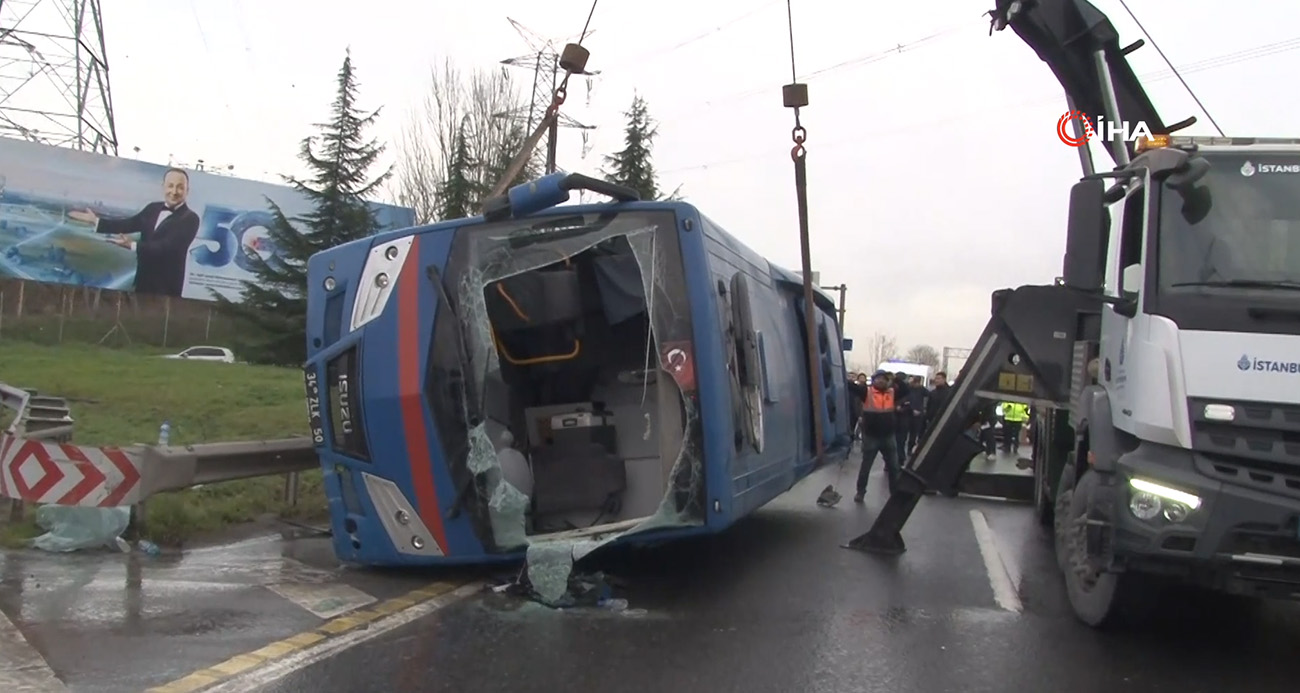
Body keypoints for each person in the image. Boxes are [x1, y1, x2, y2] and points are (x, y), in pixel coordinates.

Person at [68, 167, 200, 297]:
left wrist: (132, 245)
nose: (174, 191)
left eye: (180, 187)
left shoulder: (190, 219)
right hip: (143, 282)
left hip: (166, 289)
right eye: (170, 186)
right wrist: (96, 221)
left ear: (187, 191)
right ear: (163, 186)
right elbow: (129, 223)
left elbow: (166, 247)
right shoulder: (153, 208)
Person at [853, 370, 900, 503]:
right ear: (873, 381)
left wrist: (895, 378)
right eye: (878, 379)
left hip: (888, 435)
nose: (880, 381)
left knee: (894, 467)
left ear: (887, 381)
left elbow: (907, 389)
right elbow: (852, 388)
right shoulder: (866, 392)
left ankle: (895, 493)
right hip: (871, 436)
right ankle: (860, 492)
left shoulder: (892, 392)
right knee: (866, 466)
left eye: (883, 379)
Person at [902, 375, 928, 455]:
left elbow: (928, 396)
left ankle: (910, 450)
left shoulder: (922, 390)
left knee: (913, 434)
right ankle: (902, 451)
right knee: (904, 434)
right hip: (907, 413)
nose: (915, 384)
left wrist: (922, 410)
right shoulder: (908, 389)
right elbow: (905, 400)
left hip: (917, 415)